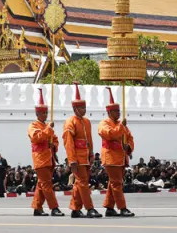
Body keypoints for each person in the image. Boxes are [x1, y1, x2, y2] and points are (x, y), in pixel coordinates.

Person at [63, 82, 102, 218]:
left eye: (84, 106)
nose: (83, 109)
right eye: (80, 107)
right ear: (74, 108)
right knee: (83, 183)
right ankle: (89, 208)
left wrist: (91, 154)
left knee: (79, 184)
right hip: (77, 158)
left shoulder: (87, 121)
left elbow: (89, 140)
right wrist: (72, 160)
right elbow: (68, 142)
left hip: (85, 157)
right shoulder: (70, 122)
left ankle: (75, 208)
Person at [98, 88, 135, 217]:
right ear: (109, 112)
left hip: (121, 158)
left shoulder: (121, 124)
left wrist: (128, 146)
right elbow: (110, 134)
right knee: (116, 183)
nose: (118, 113)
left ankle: (109, 207)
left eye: (119, 110)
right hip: (111, 158)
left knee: (113, 183)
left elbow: (130, 137)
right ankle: (122, 208)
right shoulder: (104, 123)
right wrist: (121, 127)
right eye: (115, 111)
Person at [28, 89, 63, 217]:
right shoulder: (34, 126)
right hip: (40, 159)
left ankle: (37, 207)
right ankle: (54, 208)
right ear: (37, 114)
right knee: (47, 184)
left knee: (41, 185)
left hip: (49, 159)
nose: (45, 115)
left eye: (46, 112)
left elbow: (55, 140)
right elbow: (36, 138)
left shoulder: (47, 127)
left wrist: (53, 145)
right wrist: (48, 129)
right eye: (42, 113)